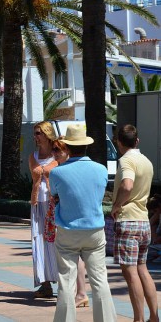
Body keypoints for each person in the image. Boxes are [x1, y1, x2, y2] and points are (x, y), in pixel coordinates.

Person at [49, 124, 116, 322]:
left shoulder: (57, 172)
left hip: (68, 230)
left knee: (66, 282)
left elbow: (55, 195)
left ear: (67, 147)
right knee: (99, 280)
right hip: (95, 229)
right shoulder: (101, 169)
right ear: (86, 146)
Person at [111, 124, 158, 322]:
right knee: (142, 269)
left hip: (128, 220)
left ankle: (138, 319)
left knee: (130, 273)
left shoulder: (126, 160)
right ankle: (154, 317)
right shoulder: (146, 161)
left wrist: (116, 205)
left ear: (118, 142)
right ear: (137, 141)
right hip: (143, 221)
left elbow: (127, 185)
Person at [51, 139, 89, 308]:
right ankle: (80, 292)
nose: (55, 153)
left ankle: (78, 293)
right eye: (54, 150)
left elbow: (57, 194)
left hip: (69, 220)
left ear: (68, 151)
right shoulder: (61, 169)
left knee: (70, 262)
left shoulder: (61, 171)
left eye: (59, 149)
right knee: (77, 259)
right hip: (71, 218)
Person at [29, 121, 59, 298]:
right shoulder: (33, 155)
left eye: (39, 133)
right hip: (37, 202)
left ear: (48, 134)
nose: (36, 136)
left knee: (55, 242)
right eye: (35, 133)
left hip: (53, 203)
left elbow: (50, 171)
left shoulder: (58, 155)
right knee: (38, 242)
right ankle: (44, 284)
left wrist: (44, 170)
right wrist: (44, 171)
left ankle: (61, 282)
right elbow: (37, 173)